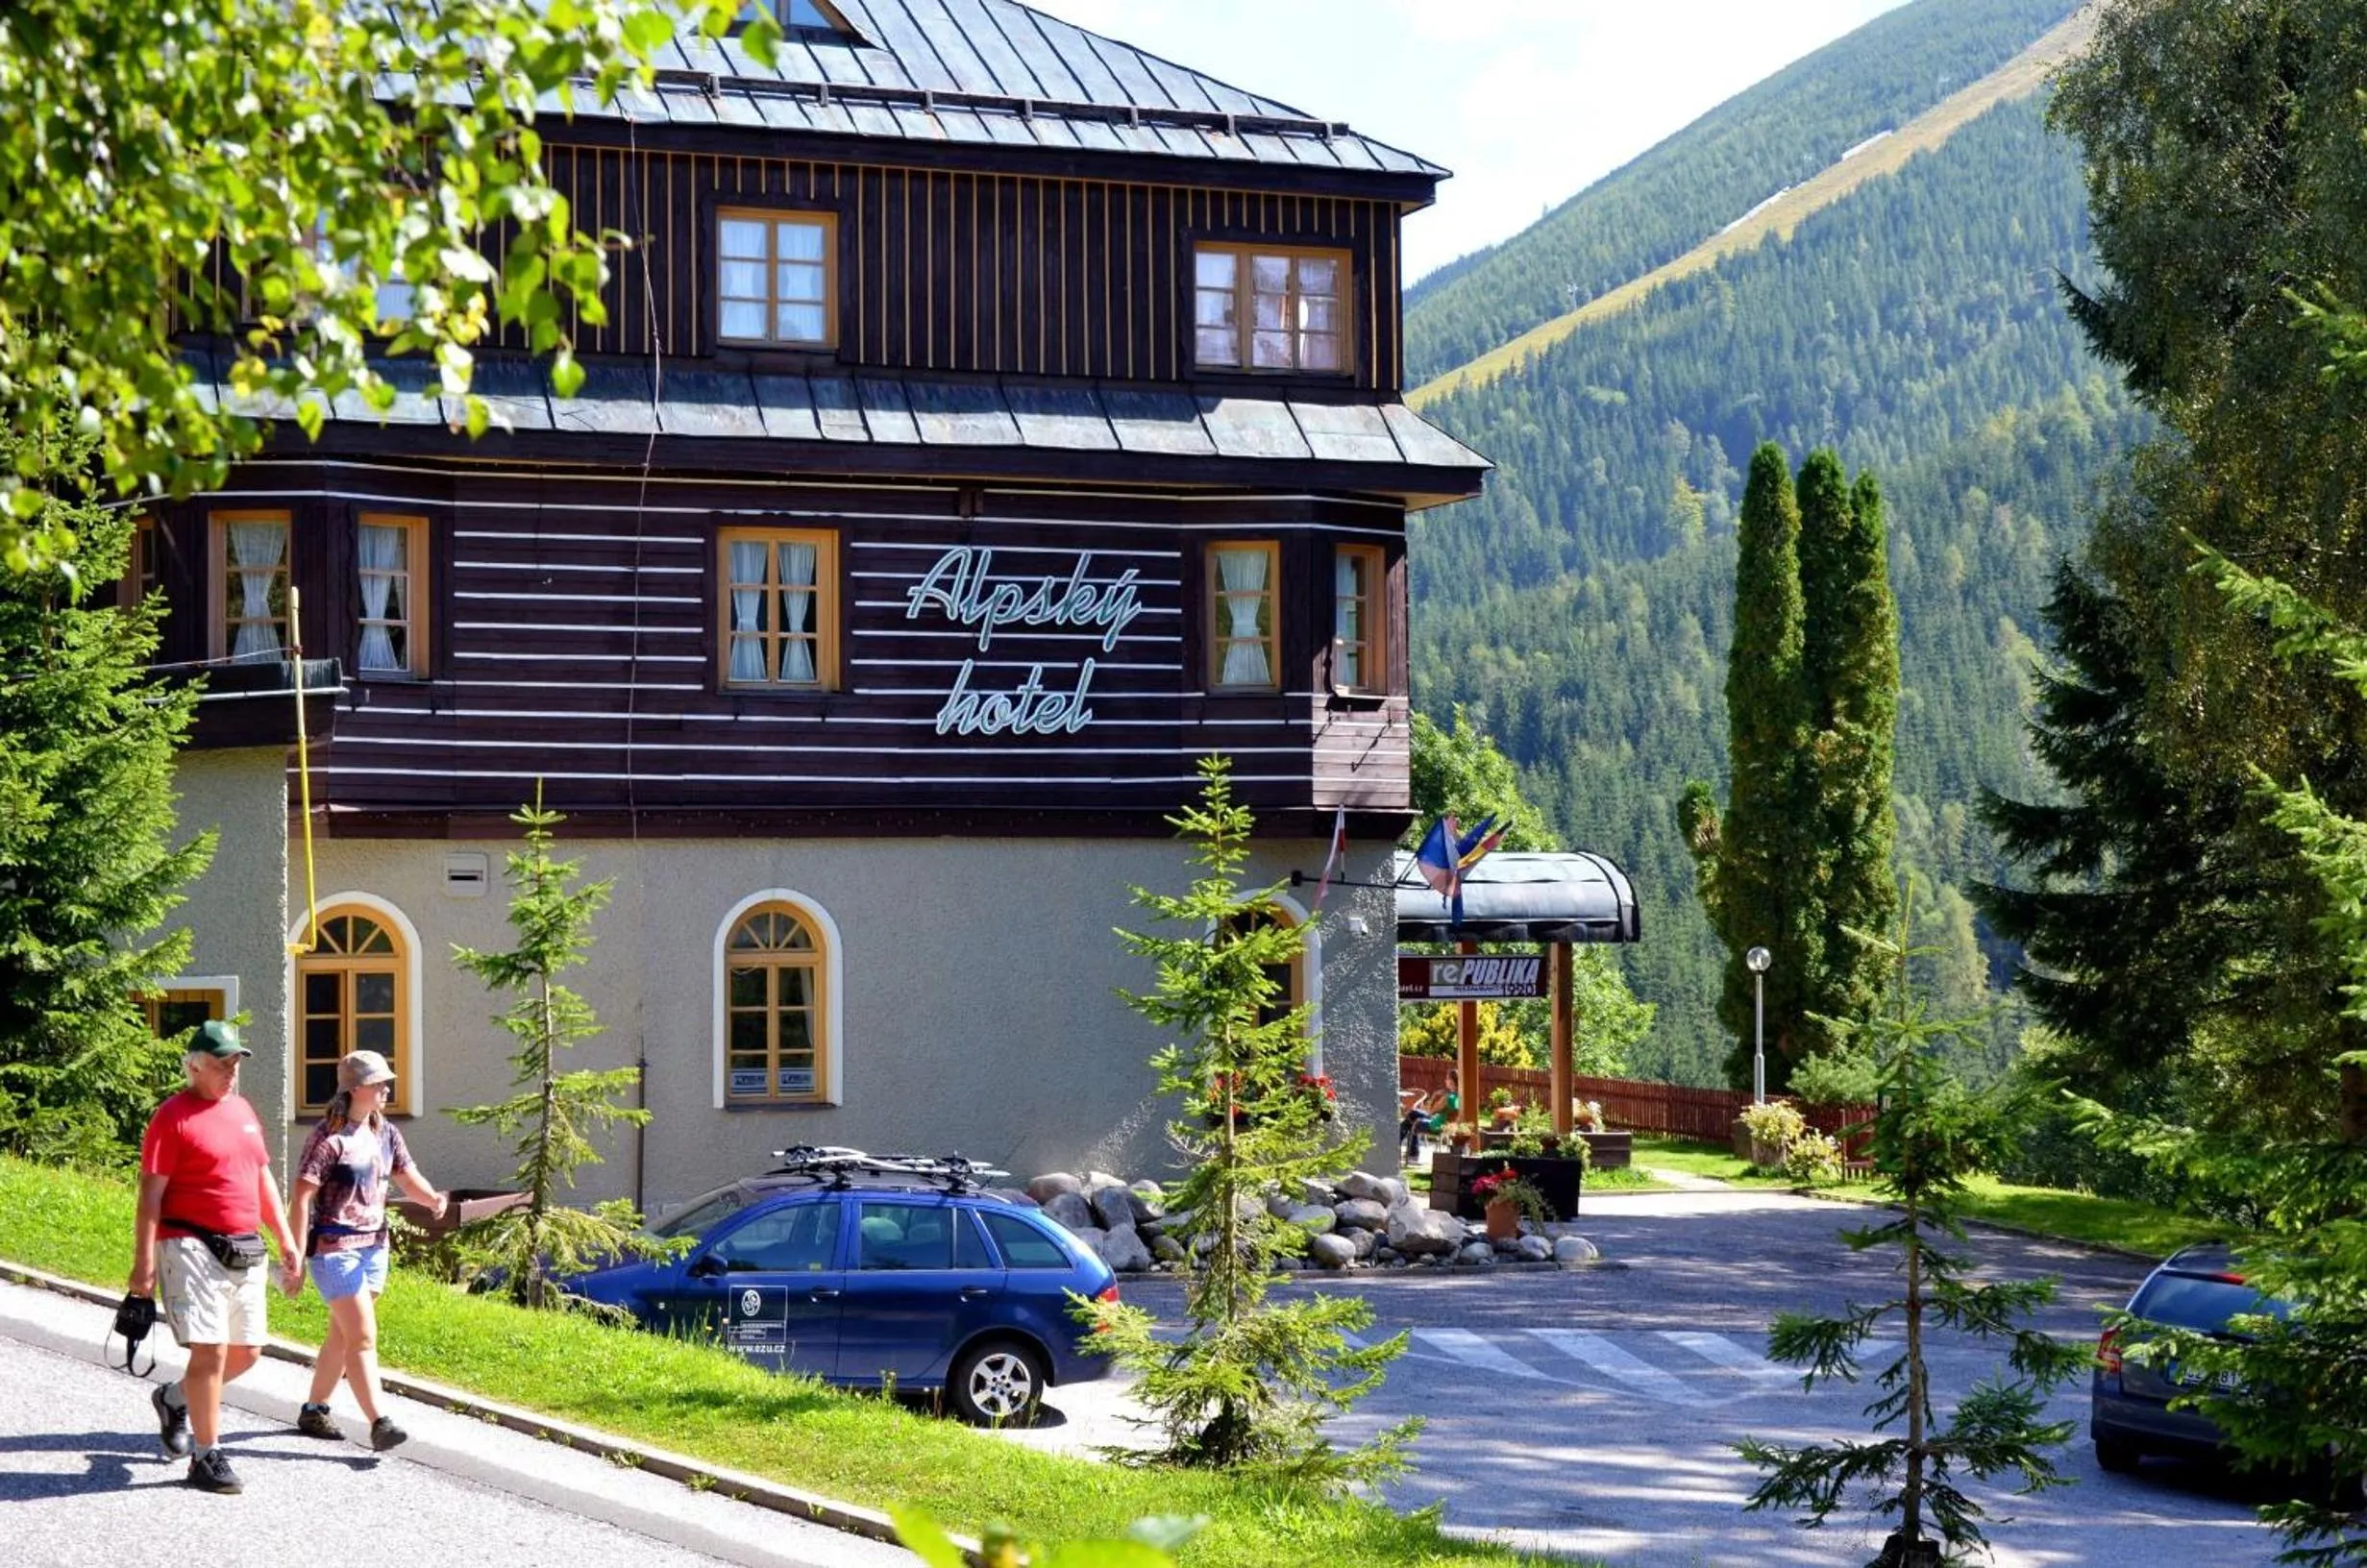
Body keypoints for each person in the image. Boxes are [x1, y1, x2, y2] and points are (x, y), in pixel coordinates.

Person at [129, 1019, 303, 1495]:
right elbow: (150, 1197)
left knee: (246, 1352)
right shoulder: (172, 1117)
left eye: (235, 1062)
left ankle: (174, 1398)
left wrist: (285, 1237)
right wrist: (143, 1263)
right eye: (222, 1062)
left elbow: (262, 1178)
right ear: (194, 1066)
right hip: (188, 1243)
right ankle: (206, 1456)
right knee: (211, 1351)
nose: (232, 1070)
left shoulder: (243, 1111)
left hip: (243, 1245)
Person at [284, 1048, 446, 1452]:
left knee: (341, 1336)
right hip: (335, 1248)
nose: (386, 1088)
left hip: (374, 1246)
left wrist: (433, 1200)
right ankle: (379, 1421)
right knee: (362, 1337)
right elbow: (301, 1198)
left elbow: (407, 1177)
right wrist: (295, 1257)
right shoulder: (327, 1138)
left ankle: (314, 1408)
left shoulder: (385, 1132)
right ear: (356, 1089)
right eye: (378, 1083)